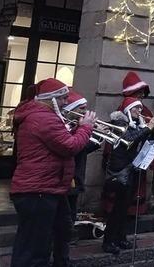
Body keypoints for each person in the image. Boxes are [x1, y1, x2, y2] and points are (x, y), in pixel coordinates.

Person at [10, 78, 96, 267]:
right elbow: (69, 146)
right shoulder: (43, 118)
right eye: (64, 98)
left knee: (51, 234)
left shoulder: (42, 116)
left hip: (47, 188)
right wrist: (86, 127)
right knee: (34, 249)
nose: (67, 102)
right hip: (38, 190)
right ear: (52, 99)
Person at [102, 97, 154, 255]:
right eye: (136, 108)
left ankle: (120, 237)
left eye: (140, 109)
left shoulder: (138, 124)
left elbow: (144, 139)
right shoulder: (119, 123)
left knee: (125, 208)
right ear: (127, 109)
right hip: (120, 171)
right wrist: (148, 127)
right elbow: (129, 139)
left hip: (132, 170)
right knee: (117, 208)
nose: (139, 111)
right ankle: (108, 241)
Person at [62, 90, 101, 222]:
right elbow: (74, 148)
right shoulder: (66, 127)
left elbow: (83, 149)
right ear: (71, 110)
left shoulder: (78, 127)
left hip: (76, 175)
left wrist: (98, 137)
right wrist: (89, 132)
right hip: (67, 177)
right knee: (66, 216)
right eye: (82, 108)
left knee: (70, 214)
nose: (85, 112)